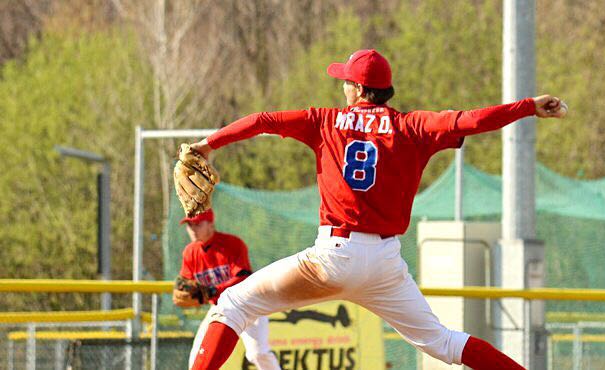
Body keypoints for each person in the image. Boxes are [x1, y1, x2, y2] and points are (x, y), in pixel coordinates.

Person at [187, 49, 566, 370]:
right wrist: (529, 107)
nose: (342, 86)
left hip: (332, 257)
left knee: (234, 303)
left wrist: (208, 144)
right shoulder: (412, 126)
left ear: (357, 88)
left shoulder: (325, 121)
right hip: (384, 263)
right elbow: (472, 119)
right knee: (444, 343)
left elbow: (261, 121)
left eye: (345, 81)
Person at [172, 209, 280, 370]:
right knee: (198, 356)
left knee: (258, 353)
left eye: (197, 224)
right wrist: (183, 287)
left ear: (211, 224)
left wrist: (213, 291)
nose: (192, 229)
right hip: (220, 307)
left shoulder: (232, 244)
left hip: (248, 303)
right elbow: (184, 281)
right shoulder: (190, 252)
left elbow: (243, 276)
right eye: (189, 225)